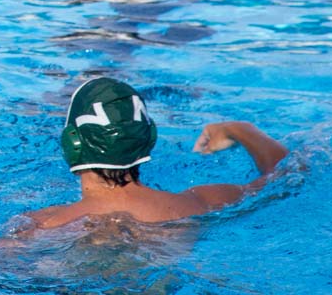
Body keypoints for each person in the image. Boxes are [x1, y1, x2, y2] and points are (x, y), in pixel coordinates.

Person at [24, 77, 287, 229]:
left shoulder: (43, 225)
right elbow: (287, 173)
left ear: (73, 144)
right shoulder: (196, 204)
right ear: (149, 138)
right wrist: (239, 128)